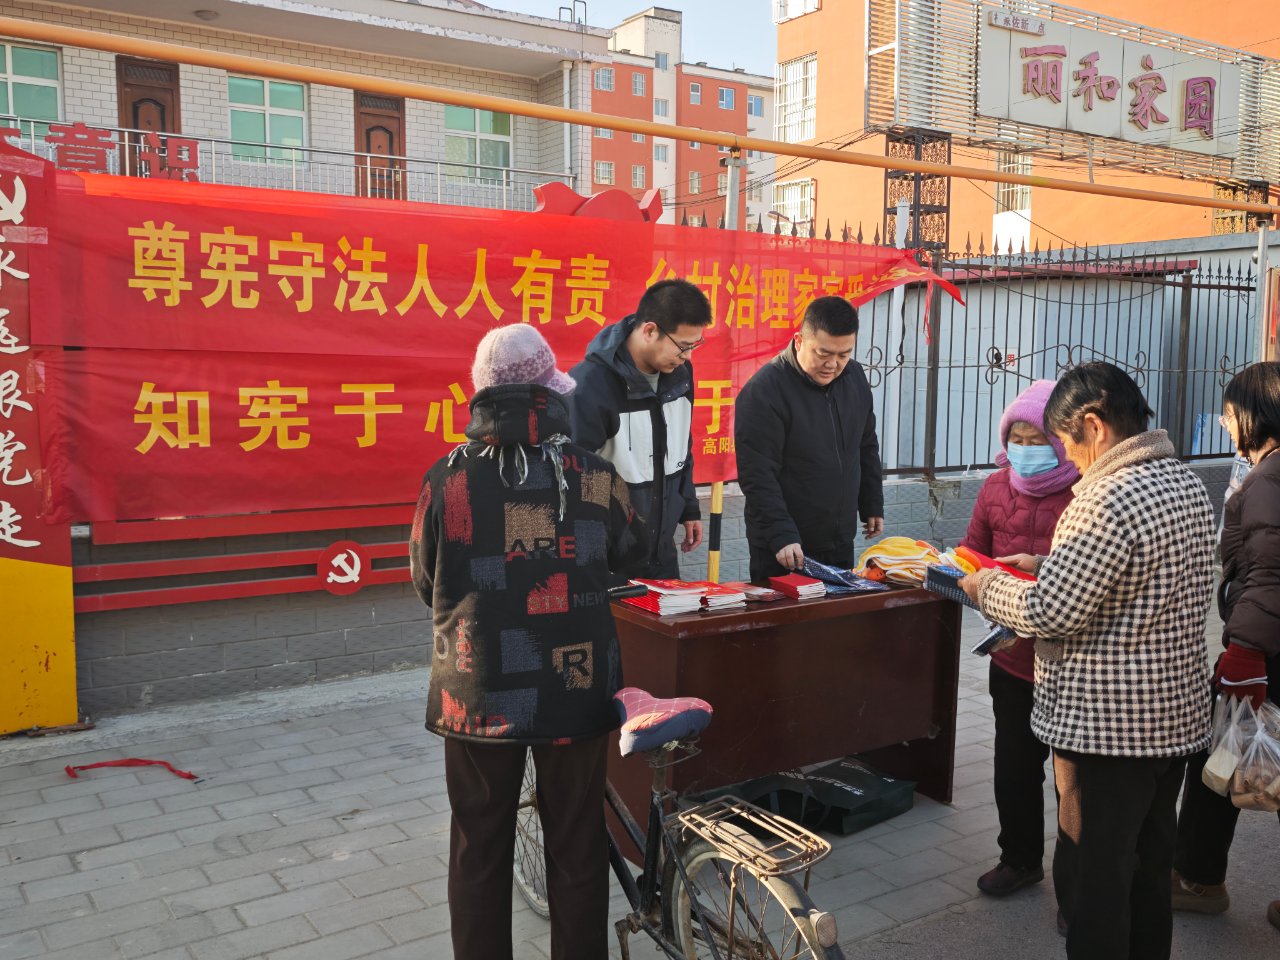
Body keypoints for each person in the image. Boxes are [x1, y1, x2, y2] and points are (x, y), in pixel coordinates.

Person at [958, 362, 1215, 960]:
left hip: (1107, 731)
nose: (1067, 457)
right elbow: (1140, 577)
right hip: (1171, 722)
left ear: (1094, 426)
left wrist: (985, 586)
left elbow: (1050, 613)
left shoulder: (1104, 495)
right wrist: (1047, 565)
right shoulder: (1183, 482)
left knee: (1098, 880)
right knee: (1148, 868)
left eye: (1066, 441)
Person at [409, 324, 649, 960]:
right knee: (577, 840)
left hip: (477, 691)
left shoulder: (446, 480)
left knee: (478, 846)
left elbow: (428, 582)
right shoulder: (594, 475)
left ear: (482, 395)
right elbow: (632, 549)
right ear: (550, 392)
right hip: (576, 686)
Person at [1171, 360, 1280, 932]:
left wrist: (1243, 652)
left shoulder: (1270, 478)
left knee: (1219, 762)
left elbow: (1268, 571)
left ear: (1256, 414)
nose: (1225, 422)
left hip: (1263, 652)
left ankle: (1197, 877)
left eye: (1230, 412)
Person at [959, 380, 1078, 897]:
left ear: (1062, 441)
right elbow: (973, 553)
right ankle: (1020, 859)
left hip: (1070, 662)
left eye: (1038, 440)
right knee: (1014, 767)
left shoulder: (1086, 491)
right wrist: (959, 575)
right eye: (1017, 439)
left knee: (1073, 783)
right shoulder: (995, 487)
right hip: (1010, 658)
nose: (1026, 450)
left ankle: (1078, 887)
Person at [734, 295, 884, 581]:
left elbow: (865, 444)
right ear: (799, 341)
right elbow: (757, 474)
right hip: (787, 547)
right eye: (823, 353)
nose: (833, 364)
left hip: (840, 539)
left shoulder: (854, 377)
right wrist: (781, 533)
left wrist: (871, 501)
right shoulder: (764, 391)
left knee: (840, 610)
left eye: (844, 354)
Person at [568, 278, 709, 580]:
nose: (688, 356)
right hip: (606, 563)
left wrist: (689, 508)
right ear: (650, 331)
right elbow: (570, 476)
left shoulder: (681, 374)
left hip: (662, 557)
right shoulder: (589, 386)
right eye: (683, 347)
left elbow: (680, 446)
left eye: (695, 345)